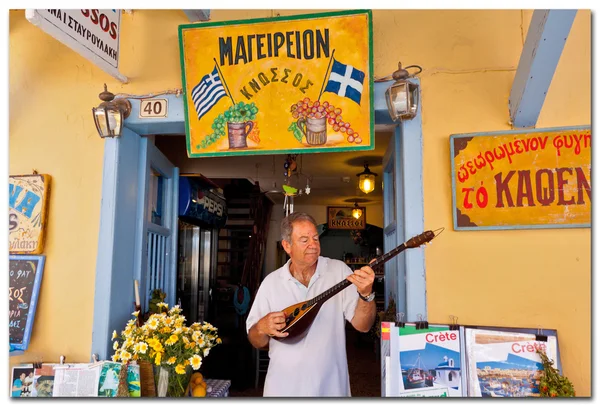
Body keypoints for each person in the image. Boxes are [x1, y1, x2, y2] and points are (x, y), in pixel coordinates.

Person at [246, 212, 376, 397]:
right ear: (287, 245)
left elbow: (363, 326)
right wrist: (261, 327)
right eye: (304, 240)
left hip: (331, 390)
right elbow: (255, 339)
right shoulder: (271, 283)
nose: (313, 245)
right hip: (282, 391)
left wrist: (366, 294)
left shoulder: (339, 271)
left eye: (315, 238)